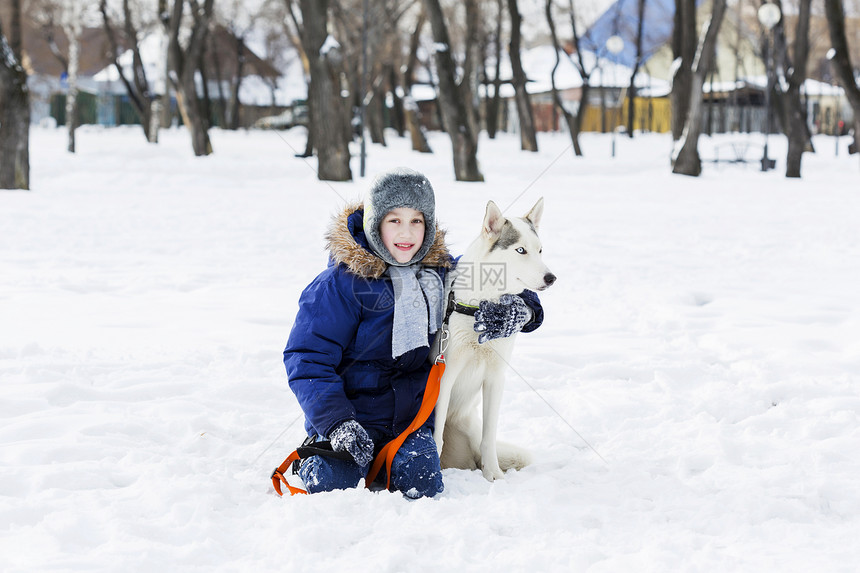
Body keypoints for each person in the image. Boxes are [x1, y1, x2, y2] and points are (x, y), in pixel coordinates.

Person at [283, 168, 543, 498]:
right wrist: (337, 422)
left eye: (416, 221)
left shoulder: (437, 272)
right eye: (394, 220)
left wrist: (525, 309)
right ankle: (318, 453)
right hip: (349, 419)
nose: (406, 232)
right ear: (375, 223)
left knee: (425, 483)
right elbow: (307, 359)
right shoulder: (340, 284)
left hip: (407, 422)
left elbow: (493, 273)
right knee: (332, 484)